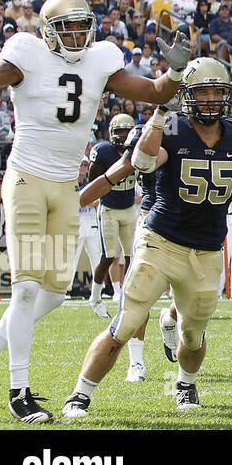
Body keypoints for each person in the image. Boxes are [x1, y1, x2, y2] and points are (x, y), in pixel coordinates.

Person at [0, 0, 189, 423]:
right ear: (48, 30)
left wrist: (176, 69)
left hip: (66, 188)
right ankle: (19, 392)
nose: (75, 36)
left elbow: (154, 92)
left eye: (81, 26)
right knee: (27, 289)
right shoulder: (26, 55)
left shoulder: (99, 60)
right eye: (66, 27)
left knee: (53, 294)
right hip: (27, 179)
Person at [60, 58, 232, 419]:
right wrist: (159, 115)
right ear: (186, 95)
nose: (209, 100)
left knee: (192, 334)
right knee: (126, 321)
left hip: (206, 250)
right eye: (201, 92)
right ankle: (80, 394)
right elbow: (140, 162)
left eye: (217, 92)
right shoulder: (170, 127)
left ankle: (185, 382)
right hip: (161, 240)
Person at [85, 114, 139, 321]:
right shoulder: (103, 152)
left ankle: (127, 296)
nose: (124, 136)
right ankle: (95, 297)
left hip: (128, 209)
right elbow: (92, 181)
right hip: (108, 208)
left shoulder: (137, 151)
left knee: (132, 256)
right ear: (111, 134)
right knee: (108, 256)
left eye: (127, 131)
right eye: (120, 132)